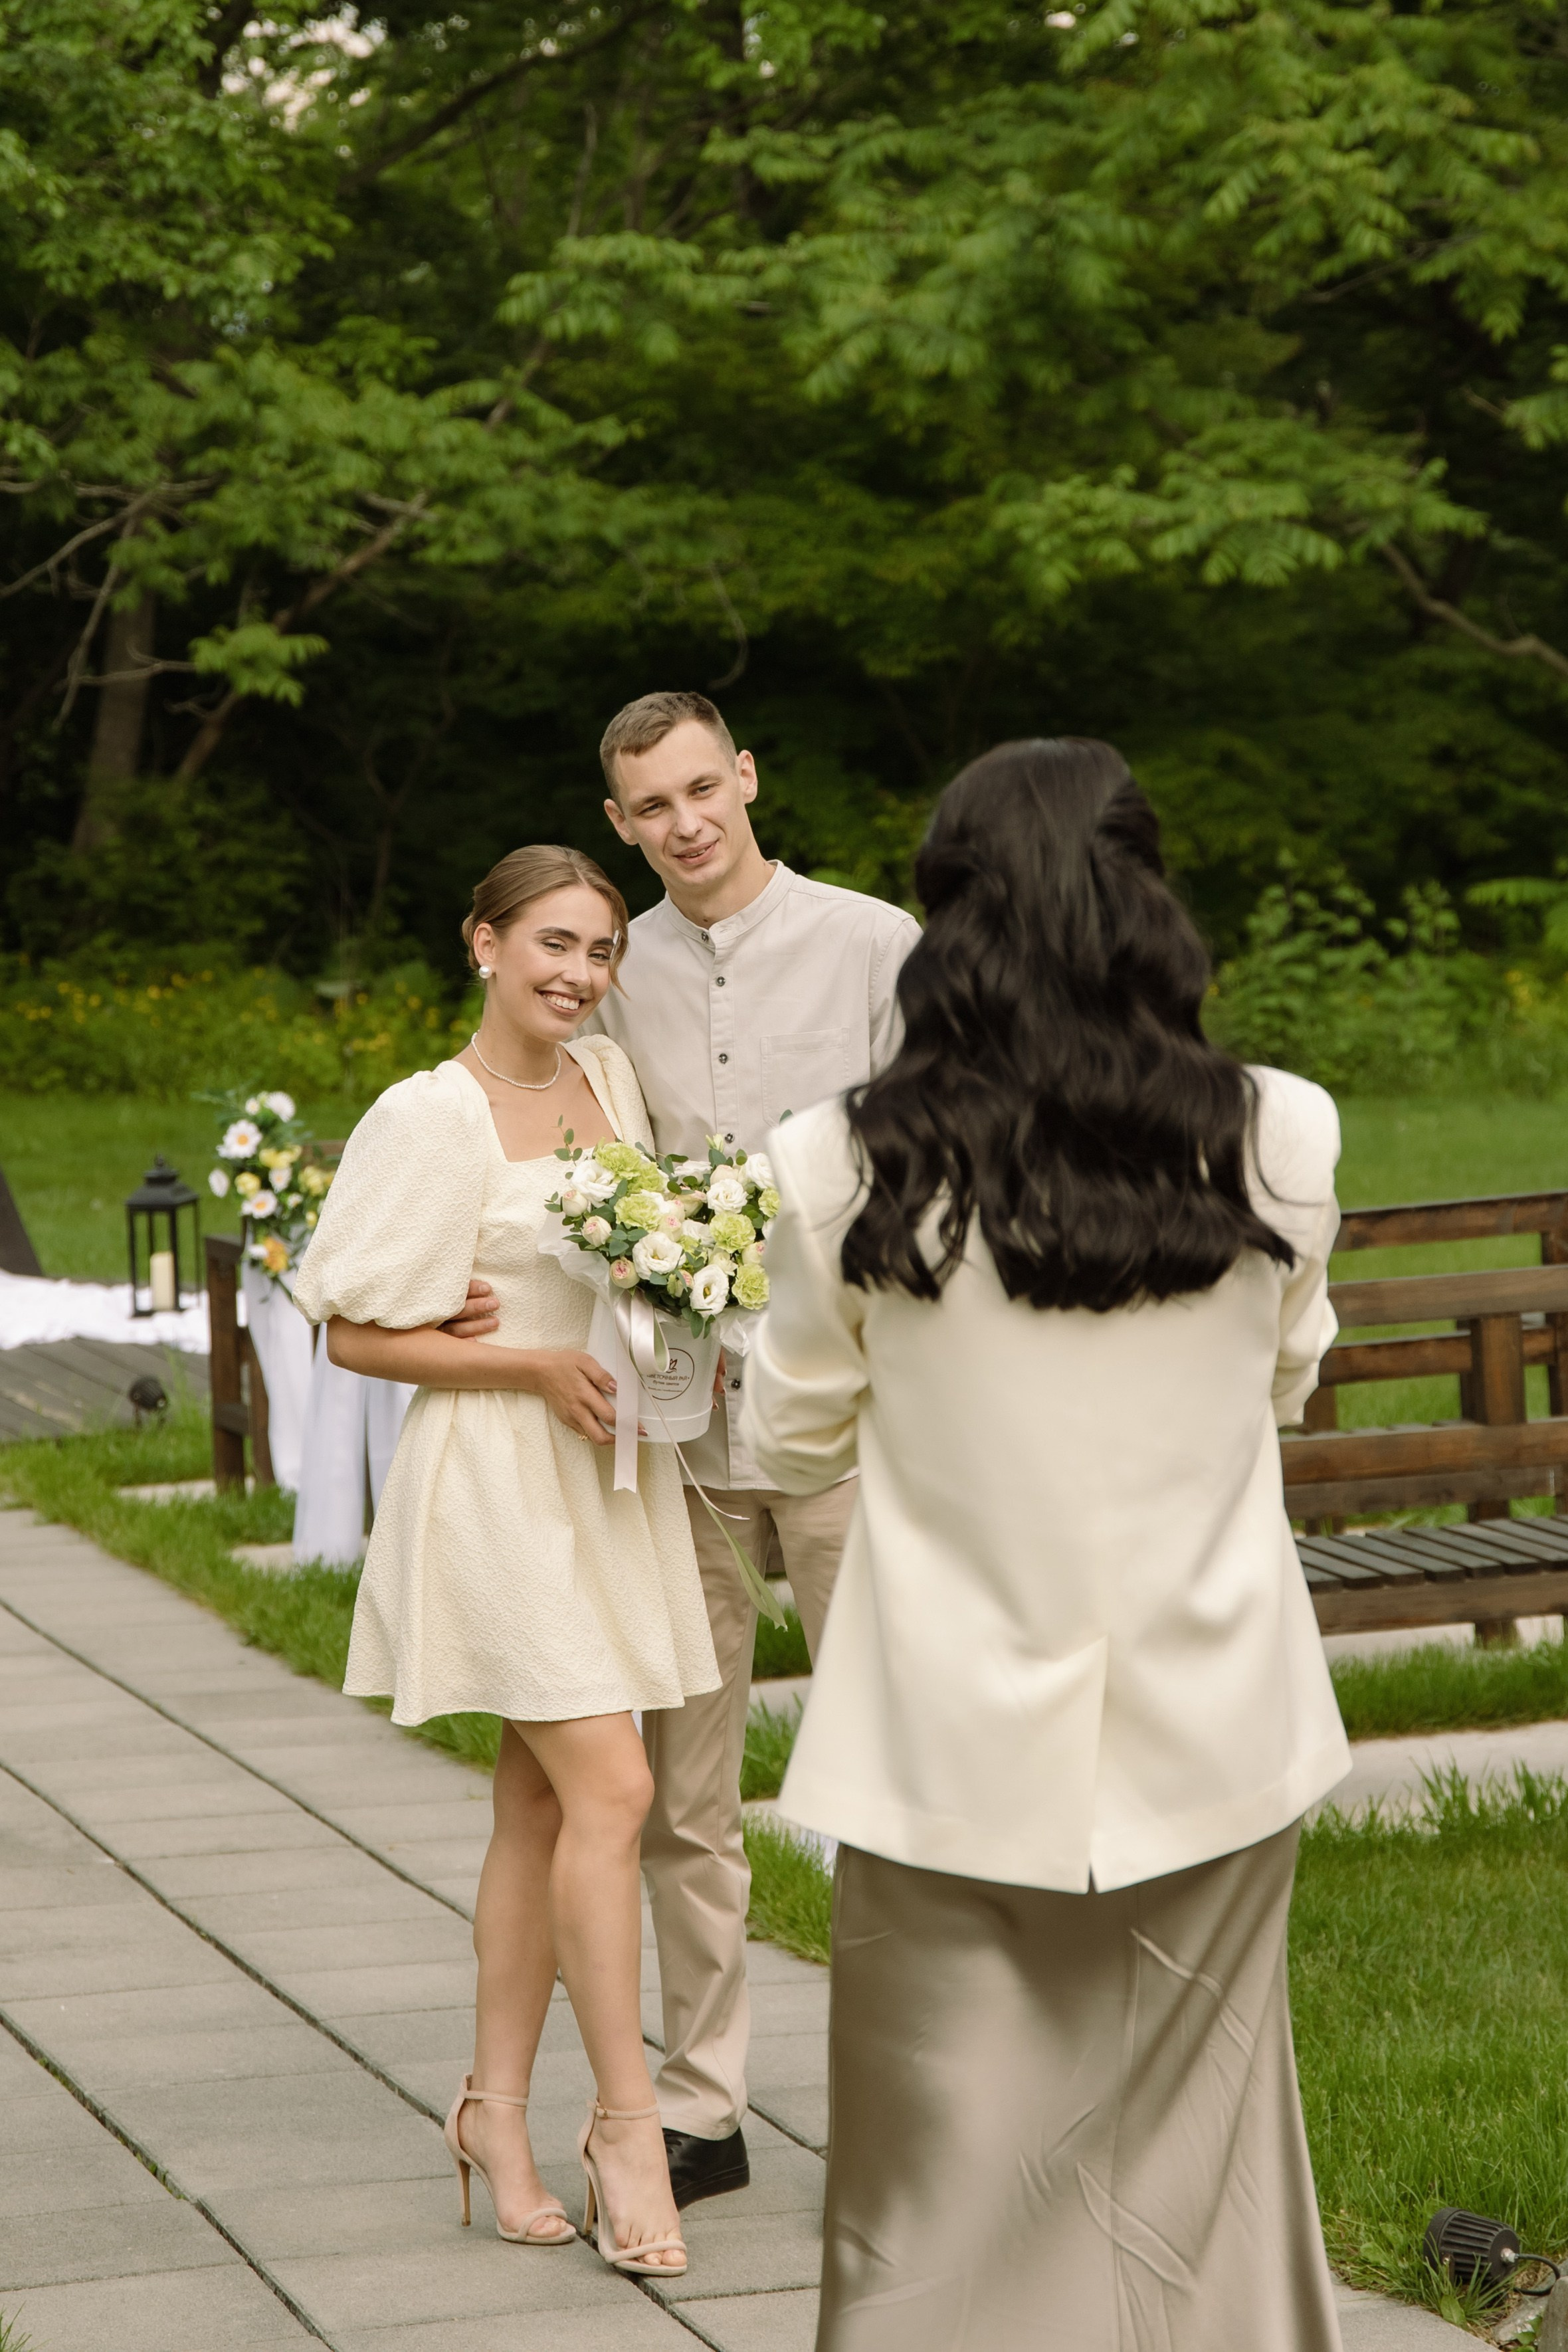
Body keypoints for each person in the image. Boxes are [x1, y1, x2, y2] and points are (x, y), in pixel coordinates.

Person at [744, 738, 1352, 2351]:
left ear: (946, 923)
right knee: (1199, 2170)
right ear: (1144, 897)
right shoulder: (1280, 1133)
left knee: (930, 2189)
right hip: (1215, 1719)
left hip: (943, 1736)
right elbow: (1285, 1372)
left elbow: (789, 1436)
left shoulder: (833, 1161)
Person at [448, 690, 920, 2205]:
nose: (685, 824)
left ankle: (914, 2090)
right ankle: (703, 2106)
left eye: (702, 789)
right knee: (681, 1799)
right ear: (620, 824)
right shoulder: (611, 964)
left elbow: (943, 1159)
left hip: (855, 1424)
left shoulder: (875, 946)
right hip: (682, 1436)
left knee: (900, 1777)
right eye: (651, 808)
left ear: (748, 776)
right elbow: (533, 1130)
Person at [292, 844, 719, 2279]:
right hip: (495, 1486)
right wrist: (534, 1365)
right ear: (481, 943)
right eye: (550, 941)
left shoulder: (612, 1084)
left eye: (598, 948)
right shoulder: (430, 1115)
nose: (576, 971)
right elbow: (349, 1333)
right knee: (619, 1785)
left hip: (606, 1479)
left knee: (538, 1810)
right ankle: (628, 2126)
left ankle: (493, 2114)